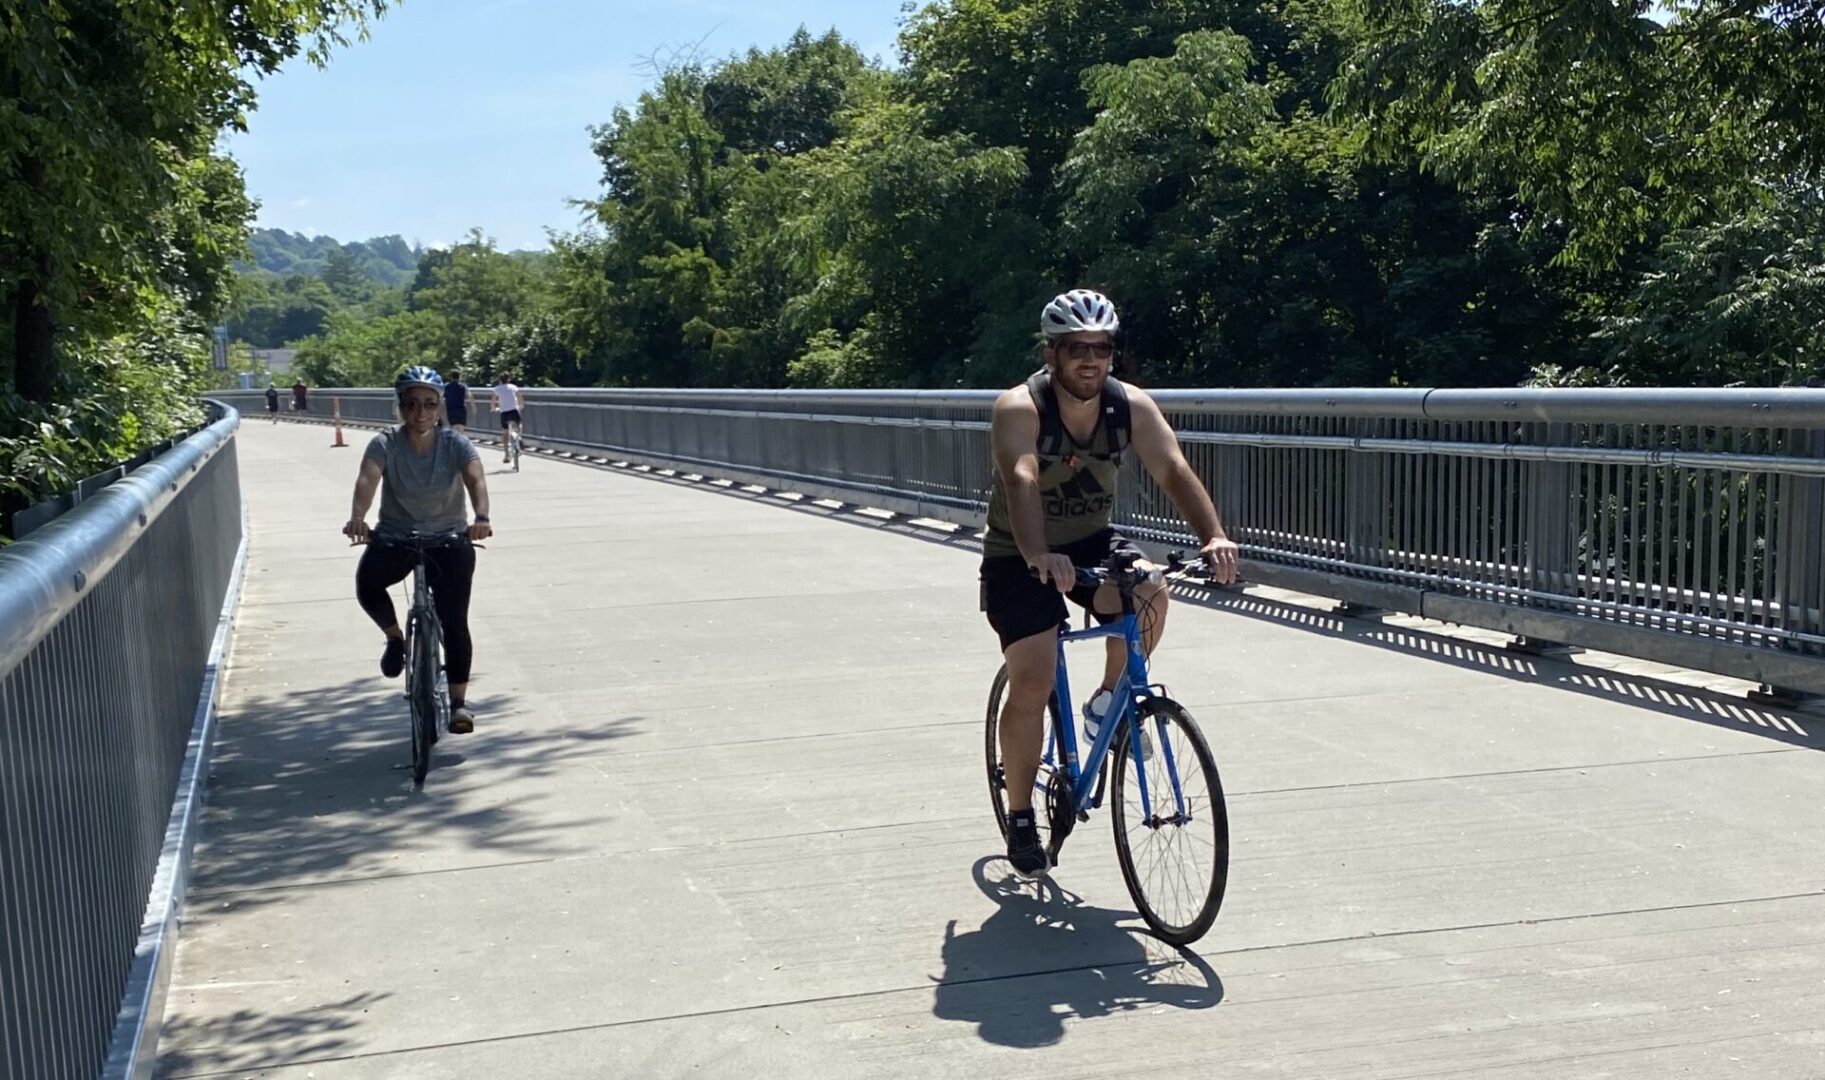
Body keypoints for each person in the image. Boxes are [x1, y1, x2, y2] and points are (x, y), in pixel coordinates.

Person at [982, 288, 1241, 879]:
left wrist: (1214, 535)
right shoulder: (1021, 407)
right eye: (1076, 349)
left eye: (1103, 348)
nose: (1091, 360)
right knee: (1034, 677)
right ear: (1051, 354)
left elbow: (1173, 468)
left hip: (1092, 543)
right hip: (1017, 552)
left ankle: (1106, 703)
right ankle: (1021, 815)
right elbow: (1022, 479)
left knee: (1150, 590)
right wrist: (1038, 554)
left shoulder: (1129, 407)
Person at [342, 367, 494, 733]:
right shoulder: (385, 443)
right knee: (367, 584)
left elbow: (476, 478)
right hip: (398, 537)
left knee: (454, 620)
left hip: (450, 540)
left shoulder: (455, 444)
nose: (421, 413)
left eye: (429, 404)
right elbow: (368, 478)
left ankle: (458, 704)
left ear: (440, 406)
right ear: (401, 407)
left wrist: (482, 516)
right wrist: (358, 517)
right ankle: (396, 638)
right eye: (412, 404)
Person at [492, 372, 523, 464]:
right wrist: (521, 405)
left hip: (504, 413)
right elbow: (520, 397)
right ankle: (519, 437)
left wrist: (494, 408)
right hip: (514, 411)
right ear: (508, 379)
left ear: (499, 380)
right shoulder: (513, 387)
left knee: (505, 433)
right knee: (519, 423)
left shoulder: (497, 389)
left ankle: (506, 455)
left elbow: (493, 400)